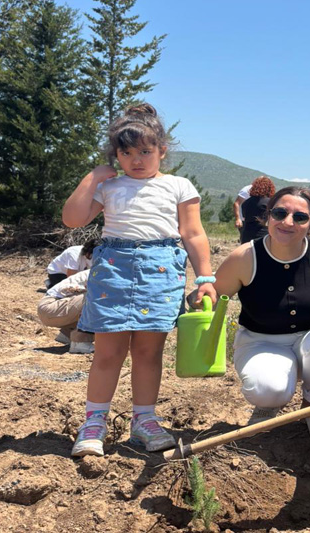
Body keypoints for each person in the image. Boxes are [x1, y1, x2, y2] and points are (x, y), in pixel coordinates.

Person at [62, 103, 216, 457]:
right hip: (113, 271)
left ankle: (144, 421)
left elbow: (193, 233)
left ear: (162, 150)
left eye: (145, 151)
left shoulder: (179, 185)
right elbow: (73, 219)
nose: (137, 160)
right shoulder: (109, 186)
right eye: (127, 152)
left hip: (160, 274)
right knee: (108, 352)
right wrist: (93, 177)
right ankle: (94, 423)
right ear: (116, 155)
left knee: (148, 352)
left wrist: (205, 277)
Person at [208, 186, 310, 444]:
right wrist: (200, 296)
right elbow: (212, 297)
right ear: (268, 215)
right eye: (280, 213)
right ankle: (268, 404)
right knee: (268, 389)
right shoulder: (245, 257)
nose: (288, 222)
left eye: (300, 217)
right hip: (260, 341)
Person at [36, 270, 95, 353]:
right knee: (102, 296)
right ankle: (80, 341)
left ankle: (67, 333)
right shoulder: (105, 272)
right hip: (50, 306)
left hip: (51, 307)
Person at [239, 176, 275, 244]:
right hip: (263, 235)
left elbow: (244, 217)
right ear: (269, 188)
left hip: (246, 234)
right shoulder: (270, 202)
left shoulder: (245, 203)